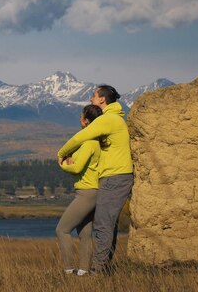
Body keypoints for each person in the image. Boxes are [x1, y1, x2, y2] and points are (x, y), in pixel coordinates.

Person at [57, 85, 134, 274]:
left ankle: (98, 270)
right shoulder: (114, 120)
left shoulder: (108, 119)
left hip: (115, 176)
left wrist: (61, 154)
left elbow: (79, 138)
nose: (91, 98)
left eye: (94, 95)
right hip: (111, 176)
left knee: (102, 224)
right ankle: (97, 268)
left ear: (102, 100)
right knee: (103, 224)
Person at [56, 104, 102, 276]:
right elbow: (77, 163)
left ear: (86, 122)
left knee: (62, 230)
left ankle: (68, 271)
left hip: (86, 192)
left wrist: (62, 164)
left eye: (81, 117)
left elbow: (76, 168)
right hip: (91, 191)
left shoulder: (89, 143)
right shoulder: (93, 142)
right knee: (84, 233)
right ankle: (83, 272)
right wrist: (71, 160)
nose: (79, 119)